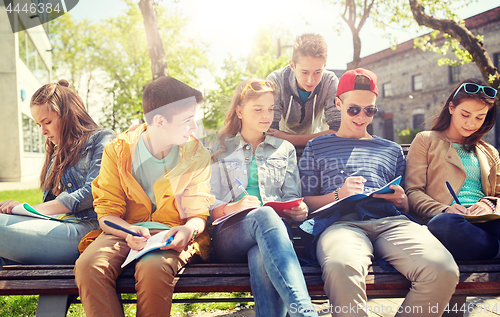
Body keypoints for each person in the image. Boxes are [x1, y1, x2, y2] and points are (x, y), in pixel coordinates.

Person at [299, 68, 459, 317]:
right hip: (340, 224)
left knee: (443, 269)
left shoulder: (391, 149)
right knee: (342, 266)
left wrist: (402, 200)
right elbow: (306, 202)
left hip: (392, 222)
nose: (361, 116)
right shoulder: (317, 146)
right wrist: (339, 195)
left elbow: (405, 202)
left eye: (369, 110)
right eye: (353, 109)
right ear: (338, 103)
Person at [74, 76, 215, 317]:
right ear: (159, 121)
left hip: (171, 233)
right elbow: (107, 214)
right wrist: (129, 231)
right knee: (88, 267)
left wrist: (188, 231)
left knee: (153, 268)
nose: (194, 128)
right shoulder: (118, 151)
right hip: (124, 231)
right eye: (188, 121)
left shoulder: (196, 155)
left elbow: (198, 213)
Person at [210, 79, 318, 317]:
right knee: (264, 214)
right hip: (229, 234)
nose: (266, 115)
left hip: (274, 235)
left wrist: (298, 211)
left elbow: (292, 197)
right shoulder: (218, 148)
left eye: (270, 109)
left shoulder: (284, 149)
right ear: (239, 110)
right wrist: (233, 206)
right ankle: (305, 313)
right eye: (257, 109)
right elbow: (208, 204)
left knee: (260, 255)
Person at [0, 79, 114, 268]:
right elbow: (49, 206)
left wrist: (30, 208)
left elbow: (93, 192)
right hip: (60, 227)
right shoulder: (56, 151)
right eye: (39, 125)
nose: (43, 131)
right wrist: (23, 211)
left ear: (69, 115)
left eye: (47, 122)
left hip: (89, 231)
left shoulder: (102, 138)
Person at [405, 78, 500, 261]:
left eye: (480, 117)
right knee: (444, 224)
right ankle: (495, 250)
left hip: (487, 222)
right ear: (451, 108)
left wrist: (488, 203)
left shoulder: (489, 152)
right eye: (465, 114)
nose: (471, 123)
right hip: (451, 222)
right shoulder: (426, 140)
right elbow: (413, 192)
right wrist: (444, 209)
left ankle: (487, 249)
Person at [266, 33, 340, 146]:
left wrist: (287, 138)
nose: (311, 80)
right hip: (279, 149)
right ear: (292, 66)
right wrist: (318, 137)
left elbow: (338, 130)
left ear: (324, 65)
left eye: (317, 72)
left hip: (314, 148)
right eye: (304, 72)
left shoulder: (329, 81)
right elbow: (269, 132)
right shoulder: (276, 80)